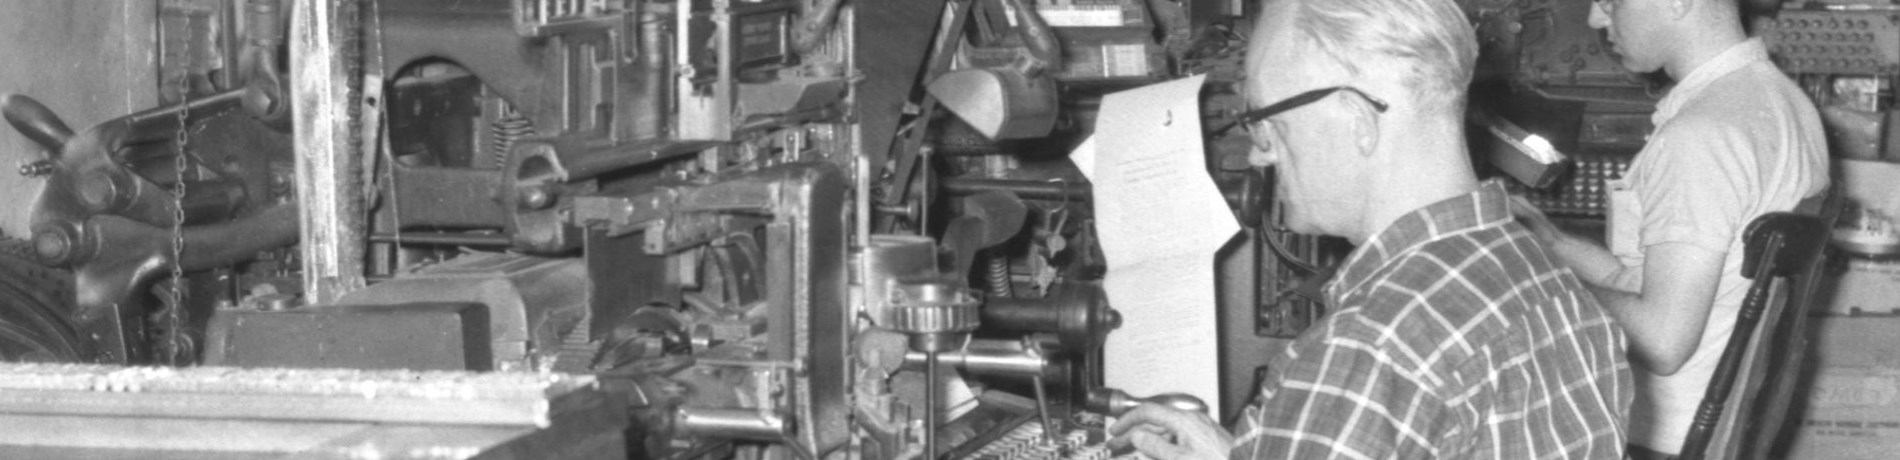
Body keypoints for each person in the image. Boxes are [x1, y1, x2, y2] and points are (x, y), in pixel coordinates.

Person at [1105, 0, 1632, 458]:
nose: (1258, 153)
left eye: (1266, 120)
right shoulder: (1547, 282)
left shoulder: (1368, 347)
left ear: (1358, 118)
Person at [1509, 0, 1829, 456]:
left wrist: (1533, 280)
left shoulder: (1701, 136)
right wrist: (1553, 245)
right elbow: (1662, 288)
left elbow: (1663, 340)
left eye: (1609, 3)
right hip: (1712, 431)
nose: (1597, 20)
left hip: (1653, 439)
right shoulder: (1780, 102)